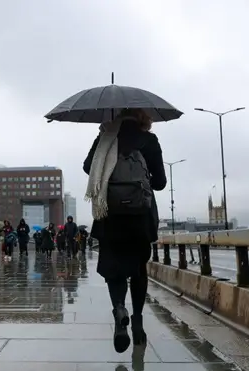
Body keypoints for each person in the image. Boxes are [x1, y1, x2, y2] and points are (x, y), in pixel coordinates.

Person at [83, 108, 166, 353]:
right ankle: (138, 319)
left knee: (114, 269)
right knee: (139, 270)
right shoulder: (148, 140)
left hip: (110, 215)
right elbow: (160, 183)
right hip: (140, 217)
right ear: (143, 117)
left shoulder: (106, 138)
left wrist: (105, 146)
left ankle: (120, 310)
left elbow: (89, 168)